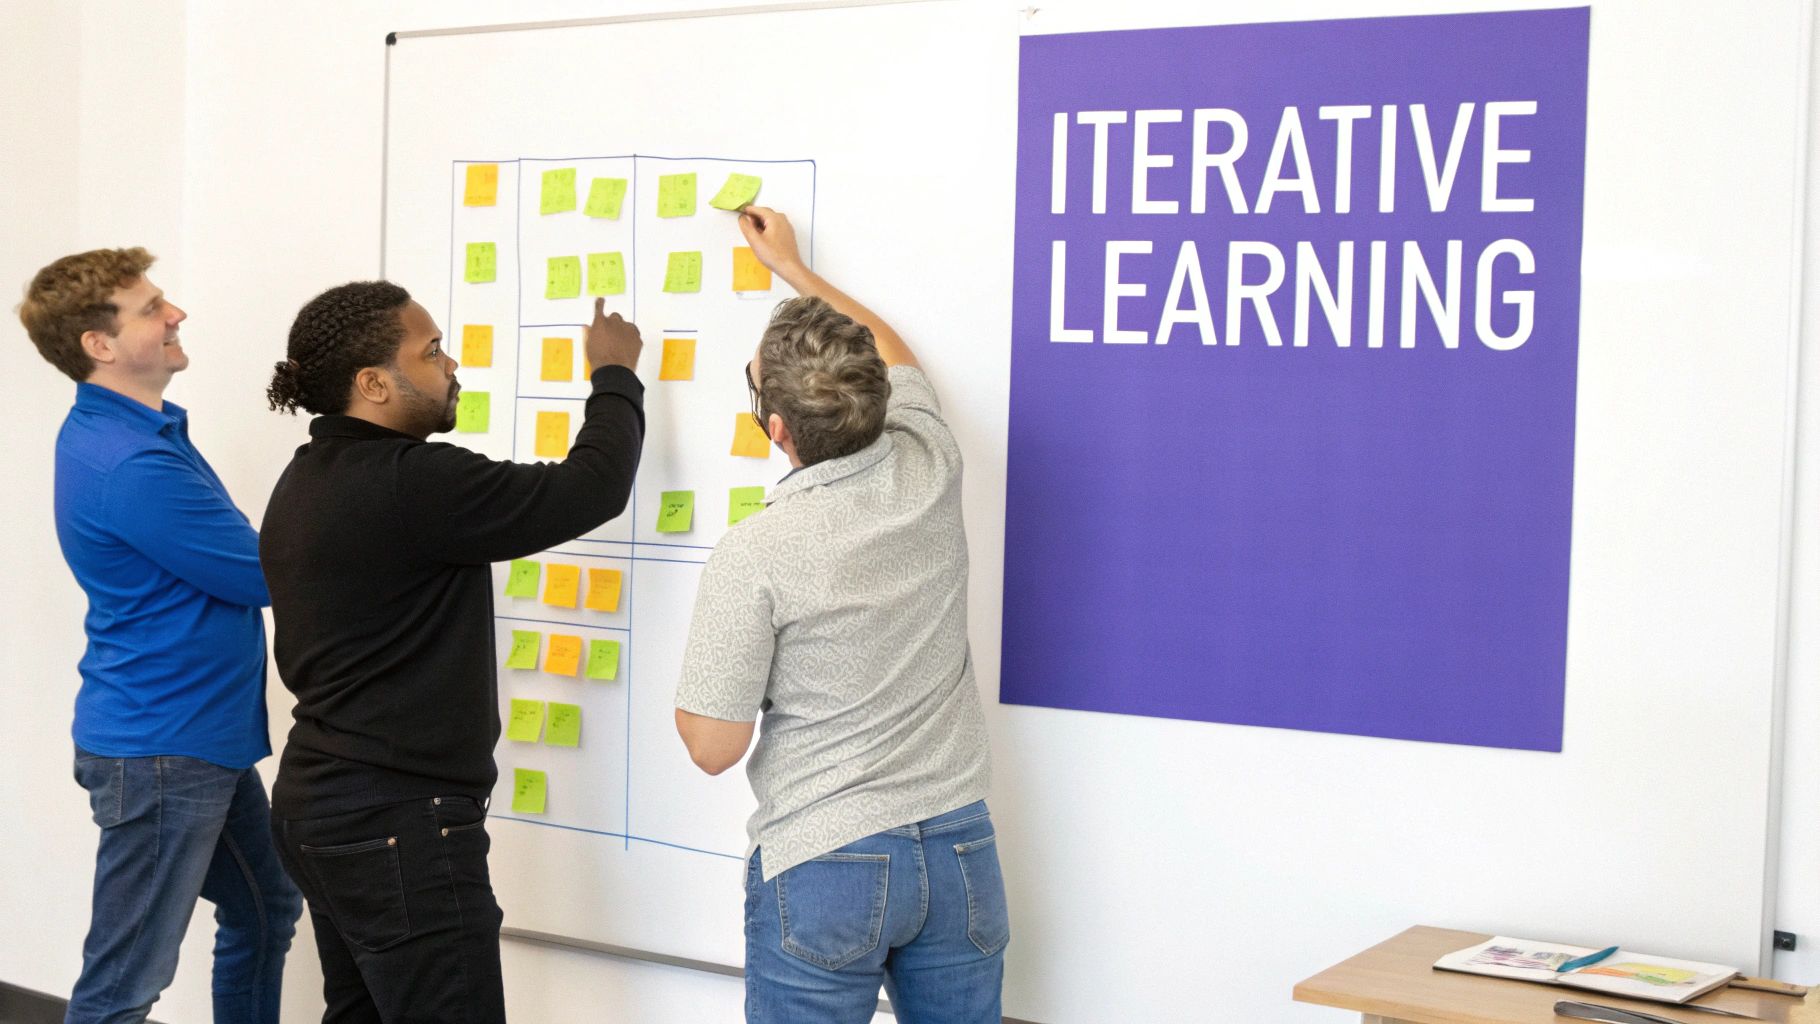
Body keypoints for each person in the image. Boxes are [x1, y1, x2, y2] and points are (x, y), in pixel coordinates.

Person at [259, 286, 644, 1023]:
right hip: (397, 821)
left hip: (321, 805)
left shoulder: (306, 478)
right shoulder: (413, 482)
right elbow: (590, 488)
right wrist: (614, 375)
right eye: (430, 351)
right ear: (372, 383)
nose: (452, 362)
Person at [674, 207, 1008, 1022]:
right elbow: (892, 351)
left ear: (777, 429)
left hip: (827, 861)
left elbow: (713, 748)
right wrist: (794, 269)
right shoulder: (931, 462)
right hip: (961, 848)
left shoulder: (758, 549)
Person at [18, 247, 301, 1024]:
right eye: (152, 308)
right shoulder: (130, 461)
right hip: (162, 754)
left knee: (265, 907)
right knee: (124, 984)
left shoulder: (145, 432)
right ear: (98, 345)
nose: (175, 314)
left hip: (192, 740)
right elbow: (262, 574)